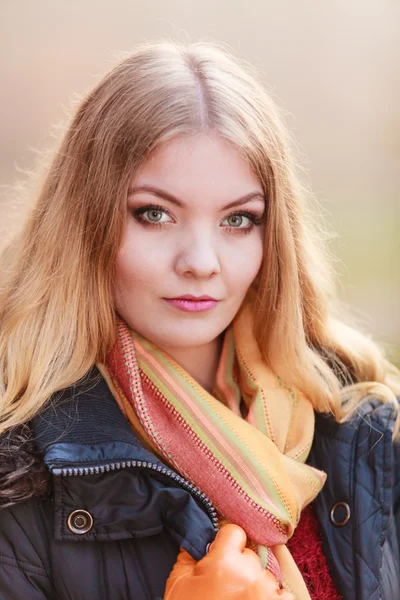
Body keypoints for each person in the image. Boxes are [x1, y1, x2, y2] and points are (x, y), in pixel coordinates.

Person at [0, 40, 399, 600]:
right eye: (155, 215)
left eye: (238, 219)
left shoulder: (357, 424)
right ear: (85, 223)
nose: (201, 263)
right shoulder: (18, 472)